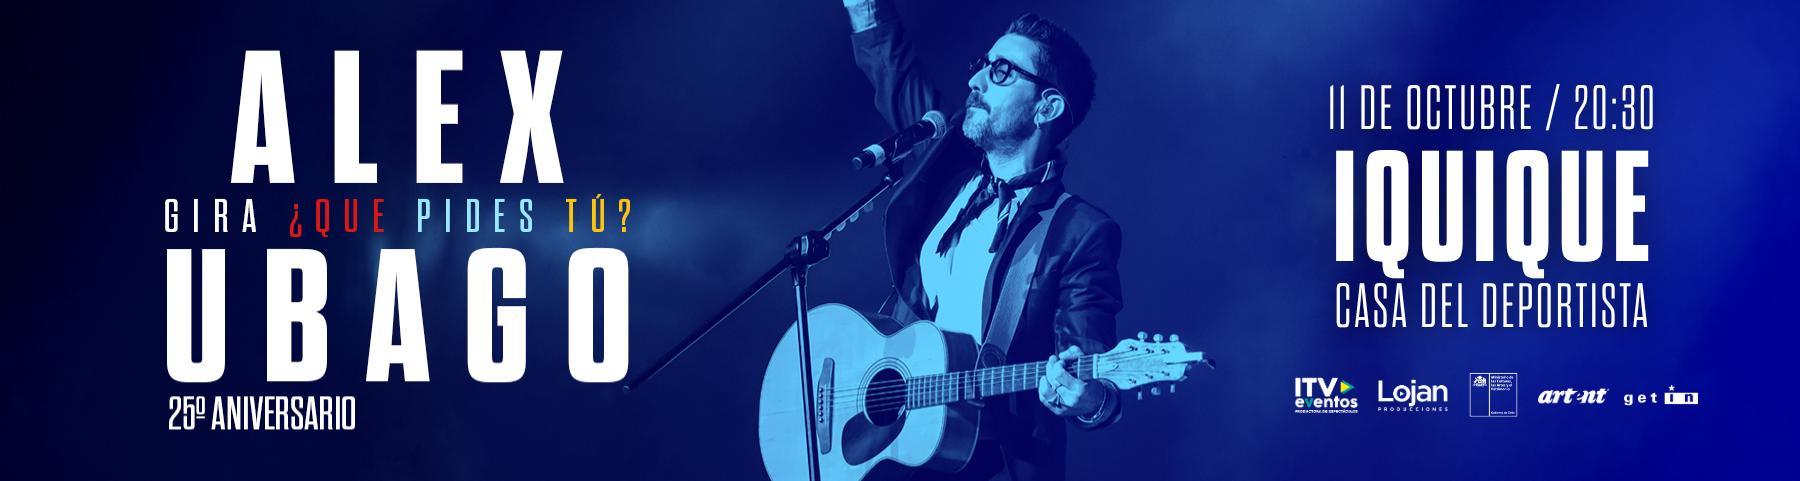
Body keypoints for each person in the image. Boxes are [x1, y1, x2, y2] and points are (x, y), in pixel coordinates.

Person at [843, 1, 1122, 479]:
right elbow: (895, 73)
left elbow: (1087, 359)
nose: (975, 81)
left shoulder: (1079, 231)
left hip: (981, 459)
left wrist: (1092, 400)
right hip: (890, 440)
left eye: (1001, 71)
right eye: (982, 65)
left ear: (1047, 107)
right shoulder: (948, 164)